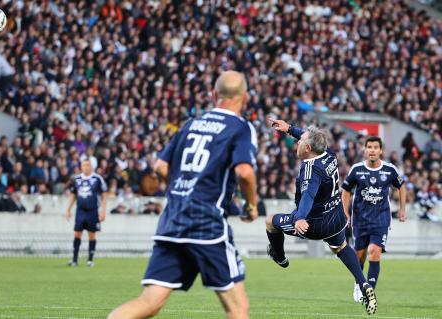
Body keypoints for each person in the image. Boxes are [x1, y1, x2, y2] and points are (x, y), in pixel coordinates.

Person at [107, 71, 259, 319]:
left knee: (150, 302)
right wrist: (252, 205)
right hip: (206, 225)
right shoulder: (240, 128)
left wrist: (181, 189)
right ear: (245, 97)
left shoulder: (190, 125)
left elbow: (160, 167)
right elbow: (244, 172)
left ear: (213, 94)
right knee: (238, 307)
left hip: (172, 221)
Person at [265, 119, 377, 316]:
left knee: (270, 222)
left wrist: (300, 218)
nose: (298, 142)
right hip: (335, 218)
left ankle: (280, 258)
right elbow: (309, 137)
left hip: (313, 224)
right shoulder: (329, 154)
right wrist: (289, 129)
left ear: (307, 149)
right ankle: (364, 283)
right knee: (341, 248)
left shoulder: (310, 169)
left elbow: (307, 196)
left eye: (300, 142)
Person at [342, 136, 407, 302]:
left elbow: (402, 187)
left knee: (374, 252)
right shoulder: (356, 170)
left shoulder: (390, 169)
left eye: (375, 147)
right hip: (360, 220)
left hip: (381, 219)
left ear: (380, 151)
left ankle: (368, 292)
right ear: (365, 150)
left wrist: (402, 209)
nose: (372, 150)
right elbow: (346, 191)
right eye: (369, 147)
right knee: (359, 256)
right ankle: (359, 283)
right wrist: (345, 213)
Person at [65, 158, 107, 267]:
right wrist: (68, 209)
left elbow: (104, 195)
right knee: (77, 233)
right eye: (83, 165)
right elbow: (73, 195)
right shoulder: (76, 178)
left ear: (91, 166)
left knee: (92, 235)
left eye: (88, 165)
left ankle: (90, 259)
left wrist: (103, 210)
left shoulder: (97, 179)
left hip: (93, 211)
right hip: (80, 211)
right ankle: (74, 260)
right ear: (81, 166)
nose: (86, 167)